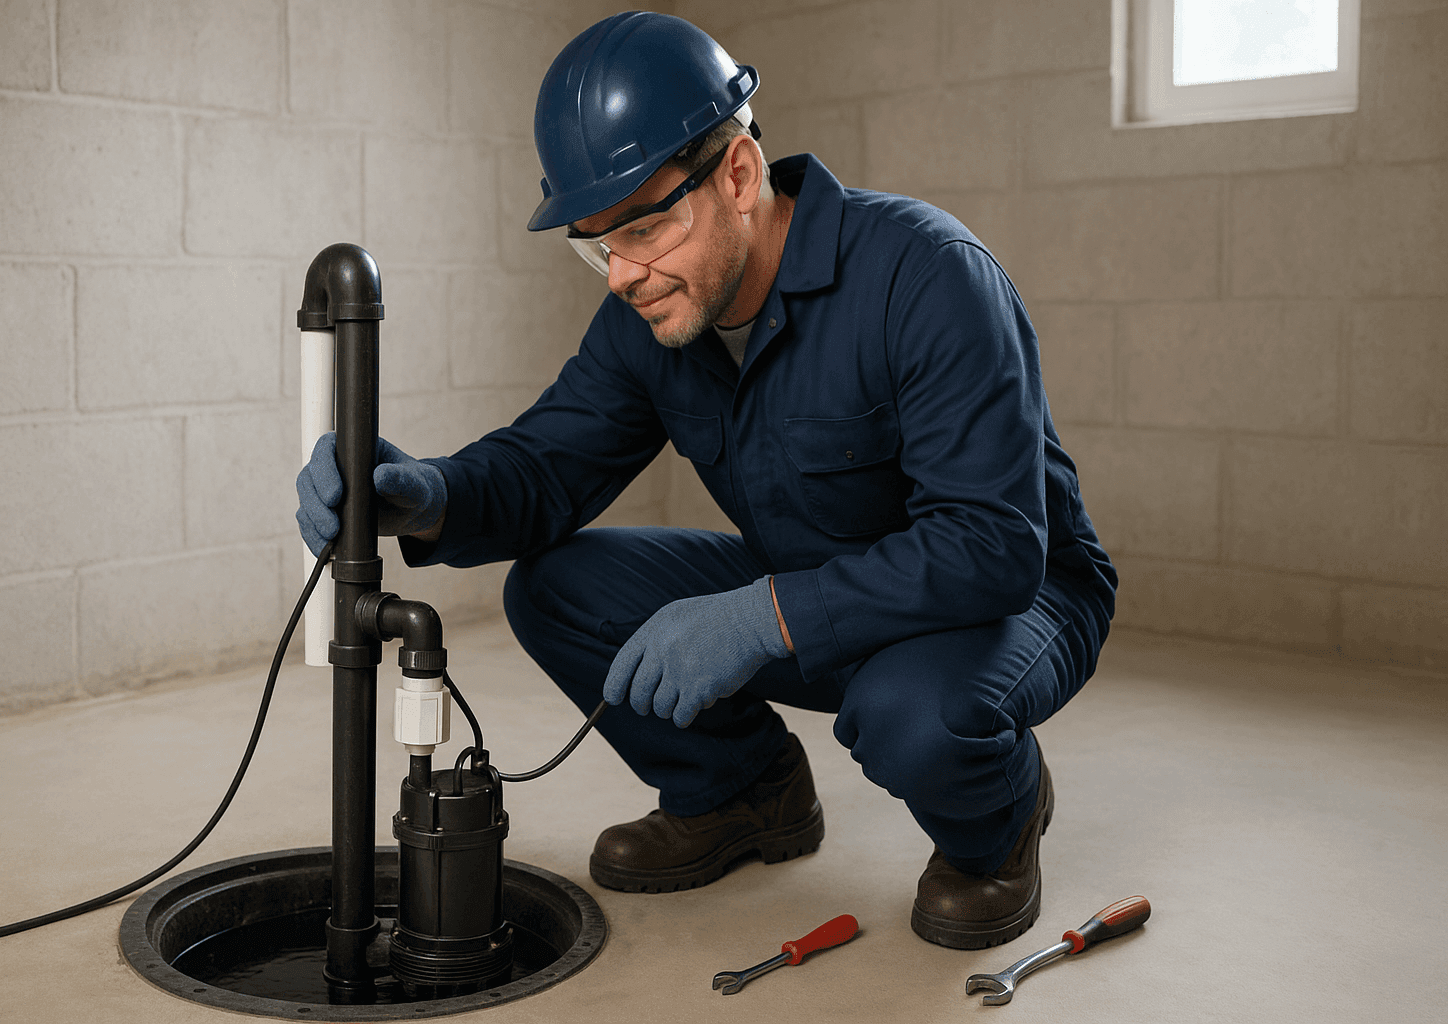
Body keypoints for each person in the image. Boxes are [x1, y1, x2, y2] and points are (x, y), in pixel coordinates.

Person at [296, 11, 1116, 950]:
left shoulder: (926, 276)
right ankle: (745, 793)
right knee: (559, 589)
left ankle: (1000, 823)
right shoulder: (653, 311)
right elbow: (543, 467)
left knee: (913, 715)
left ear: (738, 174)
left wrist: (760, 618)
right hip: (811, 584)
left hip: (1012, 596)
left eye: (642, 226)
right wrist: (422, 493)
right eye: (595, 243)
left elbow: (992, 545)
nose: (620, 275)